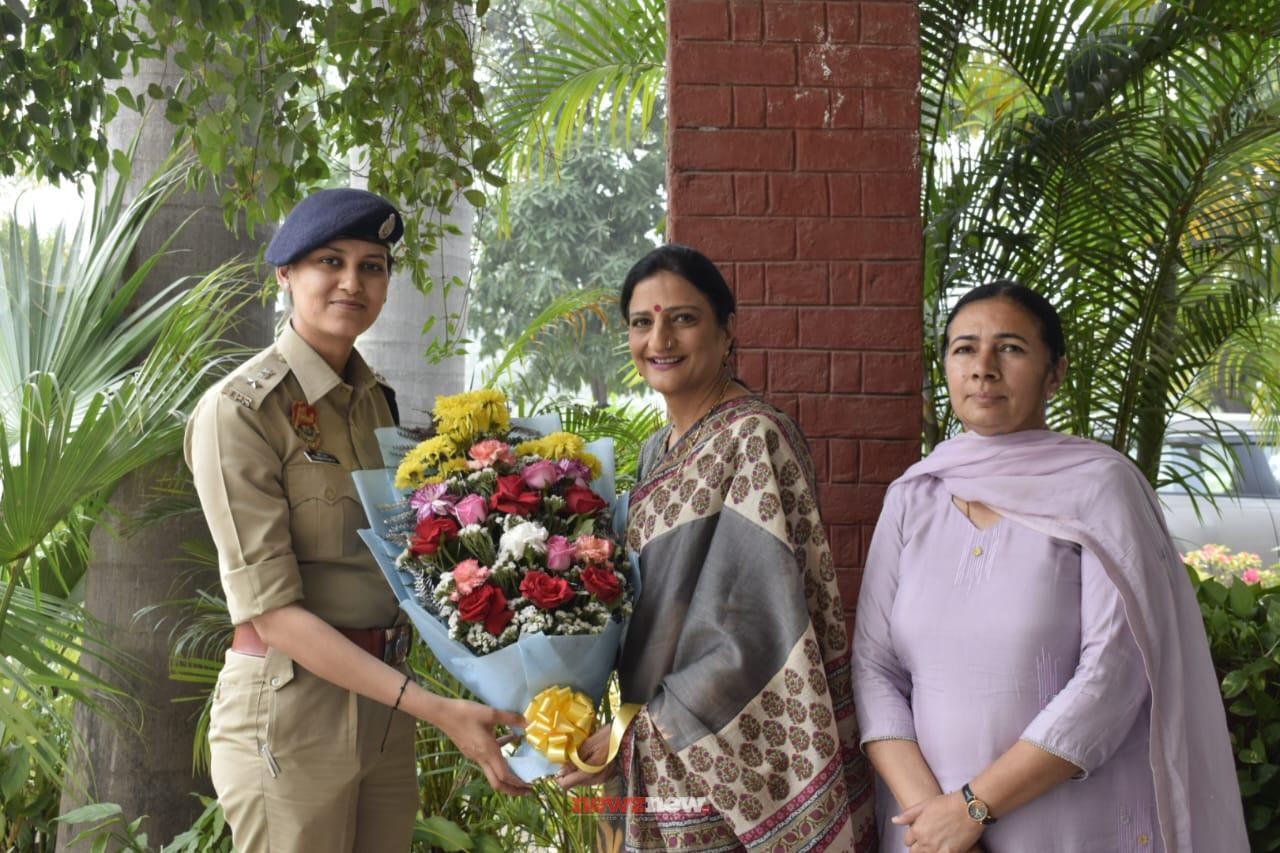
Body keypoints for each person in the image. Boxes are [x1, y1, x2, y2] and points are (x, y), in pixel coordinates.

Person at [184, 188, 529, 853]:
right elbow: (273, 612)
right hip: (292, 710)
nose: (353, 281)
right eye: (330, 261)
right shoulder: (241, 412)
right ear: (285, 274)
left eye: (373, 265)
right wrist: (438, 709)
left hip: (384, 703)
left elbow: (403, 561)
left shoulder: (377, 404)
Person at [852, 281, 1248, 852]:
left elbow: (1115, 673)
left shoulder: (1101, 489)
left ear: (1055, 373)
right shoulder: (914, 496)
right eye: (964, 349)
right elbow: (874, 667)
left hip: (1068, 822)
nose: (983, 368)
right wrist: (933, 820)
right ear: (945, 367)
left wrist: (973, 807)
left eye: (1010, 348)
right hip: (928, 834)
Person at [557, 244, 877, 851]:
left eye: (683, 317)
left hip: (722, 746)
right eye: (642, 322)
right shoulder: (656, 451)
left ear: (727, 331)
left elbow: (753, 626)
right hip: (648, 743)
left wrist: (645, 728)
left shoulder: (755, 436)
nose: (660, 338)